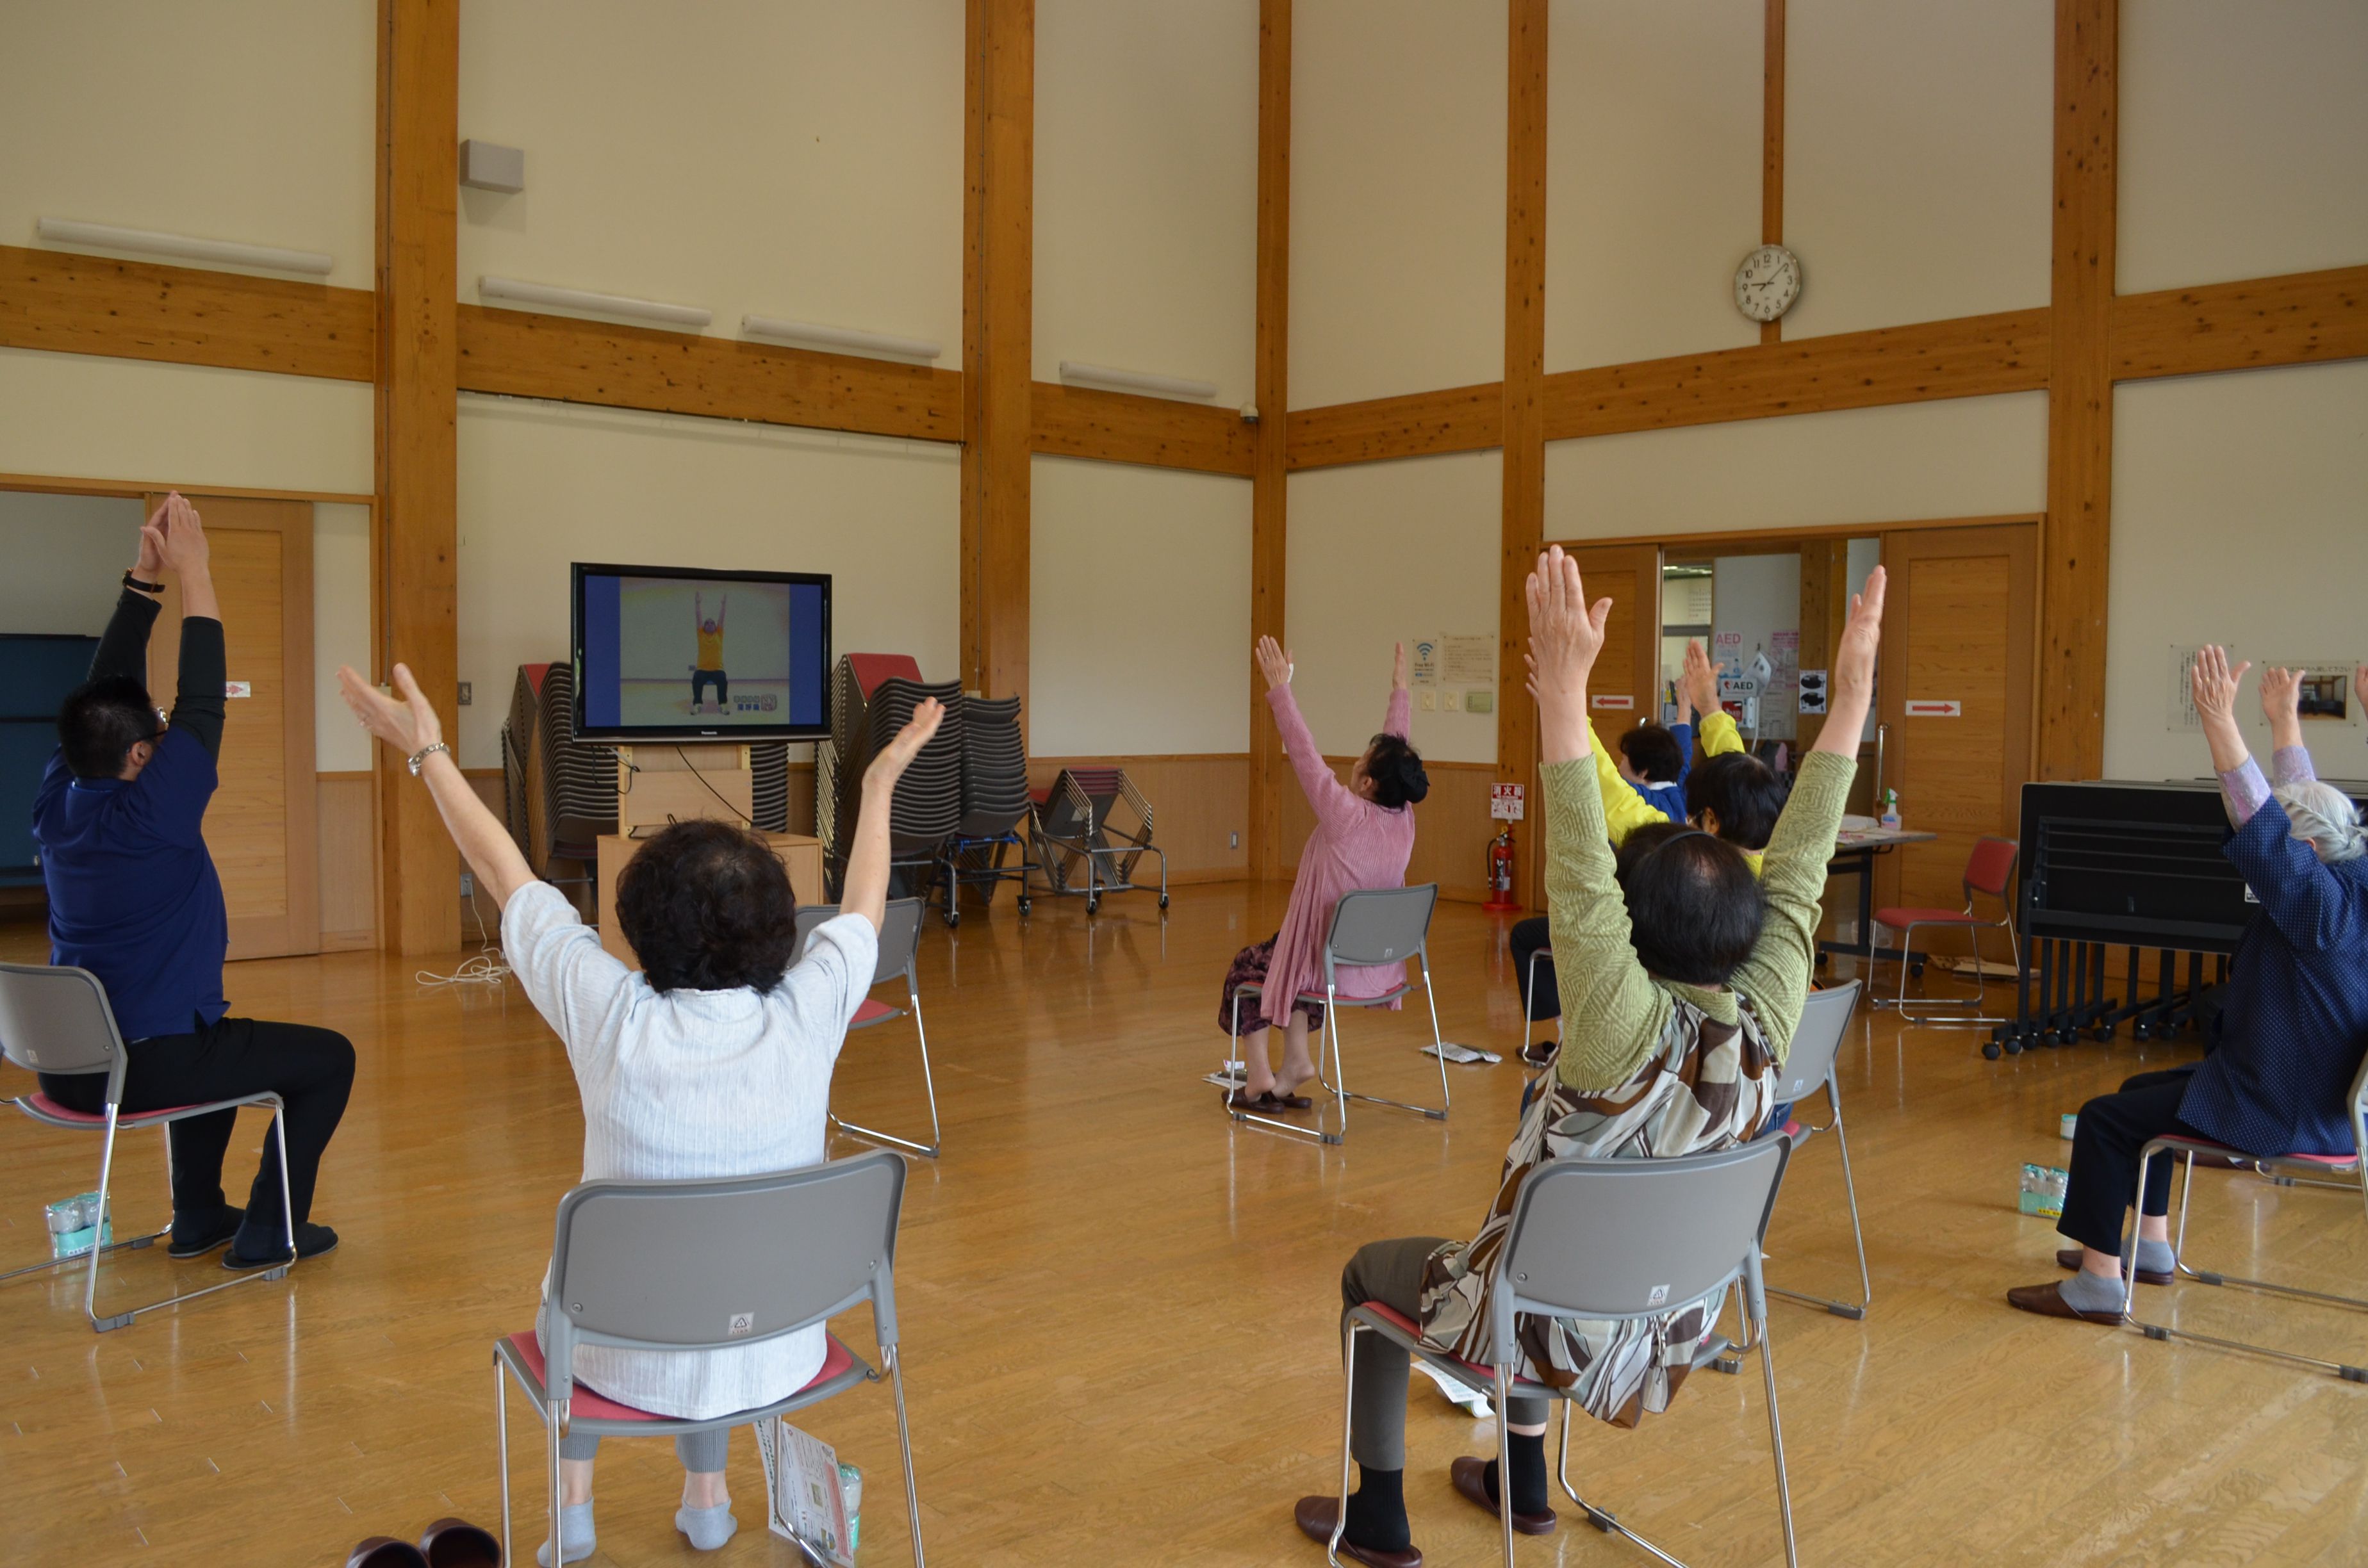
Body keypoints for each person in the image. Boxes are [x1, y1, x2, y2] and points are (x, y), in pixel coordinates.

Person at [1293, 548, 1879, 1564]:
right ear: (1753, 928)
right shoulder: (1769, 1020)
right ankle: (1521, 1490)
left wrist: (1563, 693)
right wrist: (1848, 712)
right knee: (1542, 1255)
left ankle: (1375, 1521)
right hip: (1664, 1339)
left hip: (1536, 1324)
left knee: (1371, 1276)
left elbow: (1575, 859)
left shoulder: (1615, 1029)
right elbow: (1802, 862)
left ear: (1633, 931)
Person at [339, 658, 942, 1564]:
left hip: (619, 1355)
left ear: (638, 930)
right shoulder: (810, 1014)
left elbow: (504, 874)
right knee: (698, 1273)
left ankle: (571, 1521)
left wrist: (425, 748)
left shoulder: (611, 1014)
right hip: (777, 1352)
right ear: (784, 933)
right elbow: (861, 904)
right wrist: (879, 781)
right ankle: (708, 1503)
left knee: (575, 1288)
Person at [33, 494, 354, 1270]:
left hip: (73, 1067)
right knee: (329, 1058)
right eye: (158, 733)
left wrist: (145, 584)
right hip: (143, 1067)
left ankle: (201, 1214)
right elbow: (204, 698)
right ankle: (270, 1231)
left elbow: (101, 700)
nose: (170, 731)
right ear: (142, 758)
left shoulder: (58, 801)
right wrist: (197, 573)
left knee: (208, 1032)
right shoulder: (153, 815)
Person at [2007, 649, 2368, 1323]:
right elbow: (2298, 810)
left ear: (2306, 856)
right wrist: (2286, 723)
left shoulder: (2316, 907)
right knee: (2142, 1093)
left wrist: (2218, 722)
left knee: (2105, 1121)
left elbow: (2263, 823)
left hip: (2281, 1110)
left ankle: (2096, 1284)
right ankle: (2147, 1248)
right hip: (2317, 1100)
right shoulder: (2355, 878)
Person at [1510, 638, 1772, 1031]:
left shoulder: (1684, 861)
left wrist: (1567, 702)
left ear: (1712, 822)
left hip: (1659, 1034)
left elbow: (1605, 788)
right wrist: (1709, 708)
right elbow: (1740, 779)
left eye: (1695, 814)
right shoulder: (1776, 869)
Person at [1221, 637, 1427, 1113]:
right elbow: (1398, 760)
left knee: (1246, 970)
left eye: (1364, 761)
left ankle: (1256, 1082)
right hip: (1376, 966)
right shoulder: (1404, 820)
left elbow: (1303, 752)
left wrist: (1280, 690)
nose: (1356, 762)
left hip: (1329, 964)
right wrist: (1401, 692)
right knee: (1287, 949)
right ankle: (1294, 1065)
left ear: (1368, 783)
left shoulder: (1345, 815)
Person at [691, 589, 728, 715]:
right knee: (696, 678)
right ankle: (697, 704)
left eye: (711, 623)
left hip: (717, 669)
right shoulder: (701, 634)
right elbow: (698, 617)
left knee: (723, 679)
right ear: (704, 627)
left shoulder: (719, 634)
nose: (709, 624)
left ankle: (722, 704)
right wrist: (697, 604)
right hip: (702, 669)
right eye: (706, 623)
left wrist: (723, 605)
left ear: (715, 626)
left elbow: (722, 618)